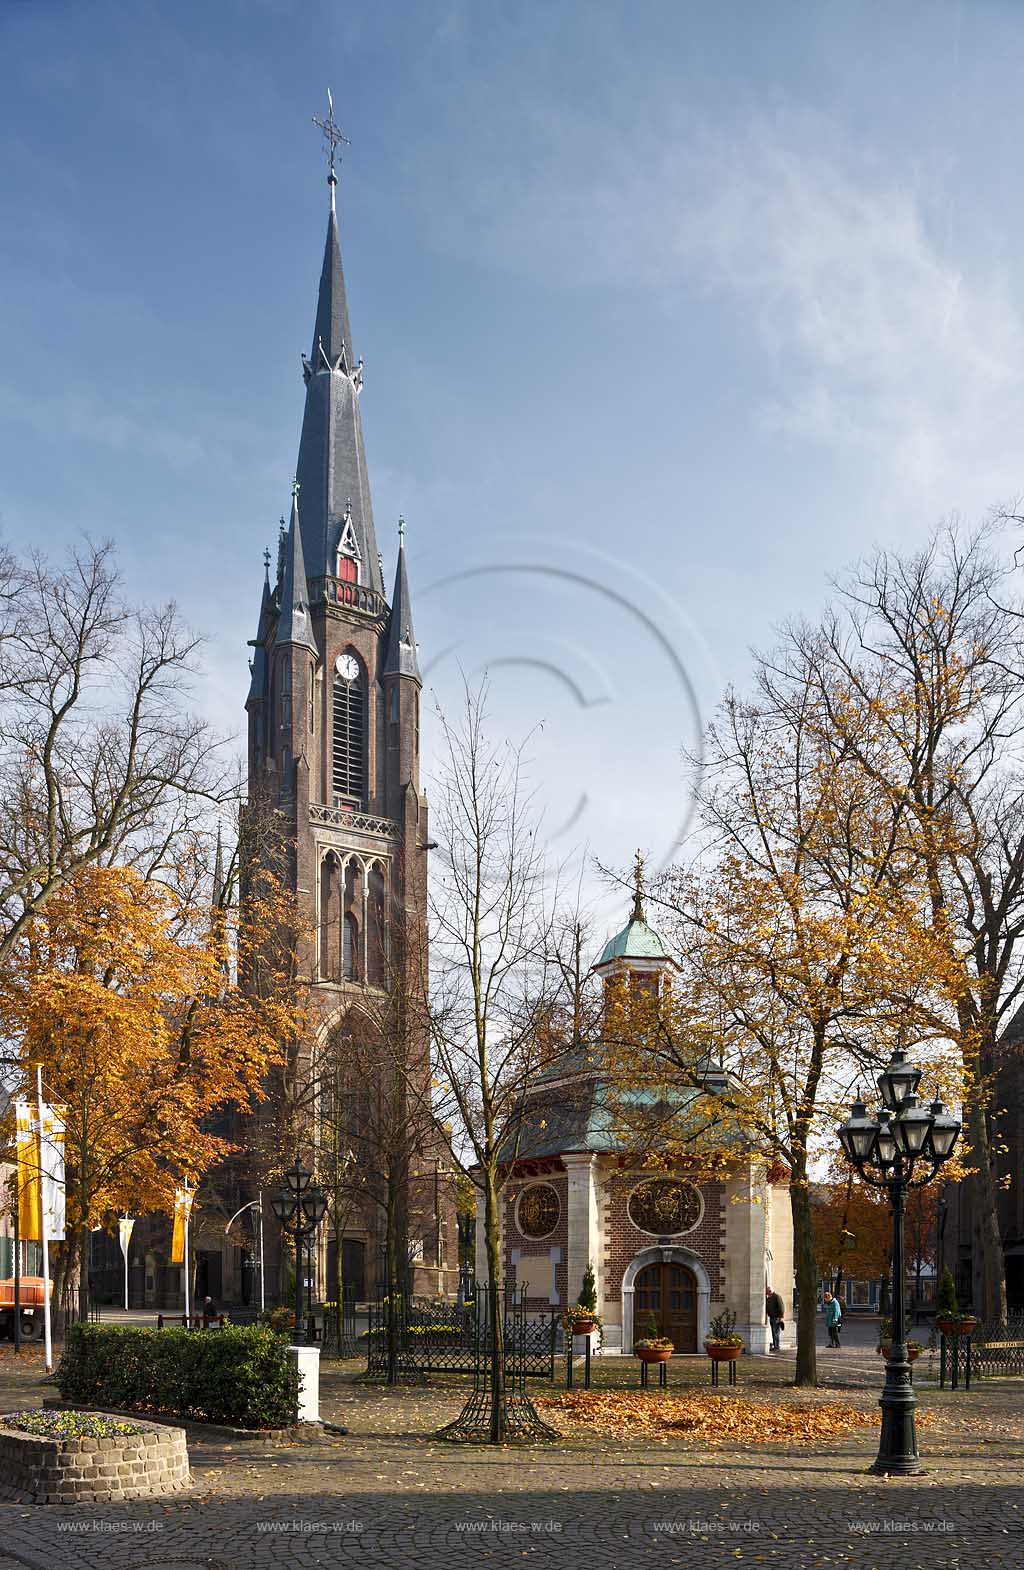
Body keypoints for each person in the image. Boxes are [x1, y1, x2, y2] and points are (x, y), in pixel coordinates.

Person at [766, 1286, 785, 1352]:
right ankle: (775, 1345)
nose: (766, 1293)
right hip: (772, 1317)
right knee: (774, 1333)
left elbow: (781, 1308)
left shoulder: (777, 1297)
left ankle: (776, 1346)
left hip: (776, 1318)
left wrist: (781, 1317)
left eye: (767, 1292)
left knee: (776, 1333)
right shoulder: (769, 1298)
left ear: (770, 1291)